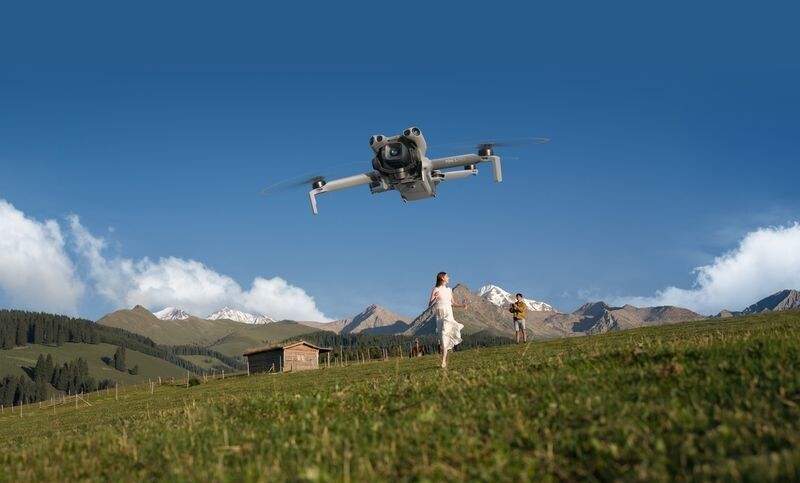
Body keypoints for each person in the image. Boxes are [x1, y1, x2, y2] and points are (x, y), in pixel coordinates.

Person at [428, 272, 466, 368]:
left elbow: (453, 303)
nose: (449, 278)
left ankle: (443, 361)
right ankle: (444, 360)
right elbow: (430, 304)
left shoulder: (449, 290)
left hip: (448, 315)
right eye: (447, 276)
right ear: (442, 278)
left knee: (445, 335)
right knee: (443, 339)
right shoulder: (436, 289)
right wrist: (435, 298)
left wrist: (462, 306)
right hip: (440, 316)